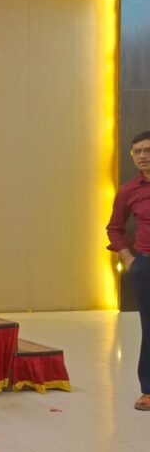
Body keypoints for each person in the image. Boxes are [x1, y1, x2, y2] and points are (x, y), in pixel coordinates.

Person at [107, 130, 150, 411]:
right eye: (138, 152)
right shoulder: (129, 190)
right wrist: (129, 259)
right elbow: (114, 228)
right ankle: (148, 390)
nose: (143, 156)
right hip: (146, 265)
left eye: (148, 150)